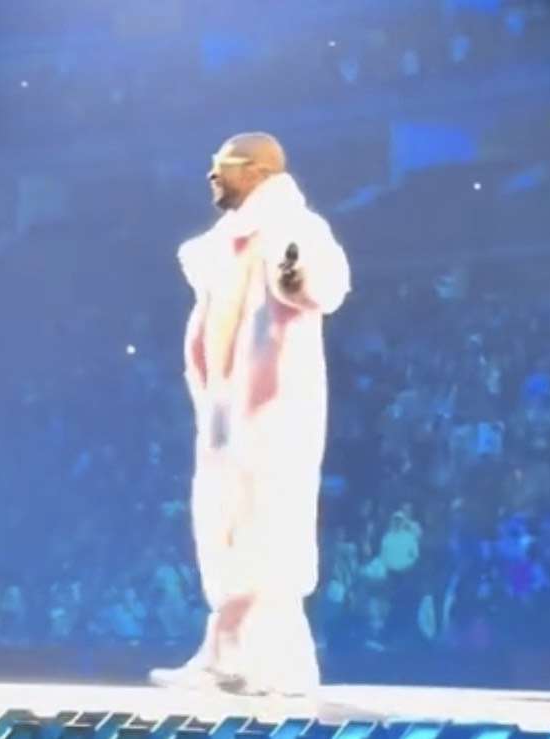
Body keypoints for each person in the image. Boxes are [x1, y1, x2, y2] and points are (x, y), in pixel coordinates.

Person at [150, 132, 350, 695]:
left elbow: (324, 282)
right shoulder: (225, 244)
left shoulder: (294, 226)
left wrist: (294, 274)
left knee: (270, 528)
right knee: (223, 528)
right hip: (224, 408)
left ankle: (276, 662)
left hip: (273, 409)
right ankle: (228, 652)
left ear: (258, 172)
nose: (212, 175)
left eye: (225, 166)